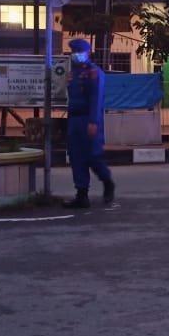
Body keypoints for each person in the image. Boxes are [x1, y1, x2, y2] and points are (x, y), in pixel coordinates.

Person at [63, 38, 115, 209]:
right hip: (74, 119)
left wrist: (93, 121)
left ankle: (107, 181)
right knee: (76, 157)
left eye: (79, 51)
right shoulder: (73, 73)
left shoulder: (94, 72)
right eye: (73, 52)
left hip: (89, 118)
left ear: (87, 53)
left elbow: (96, 98)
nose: (76, 55)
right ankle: (82, 194)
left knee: (93, 156)